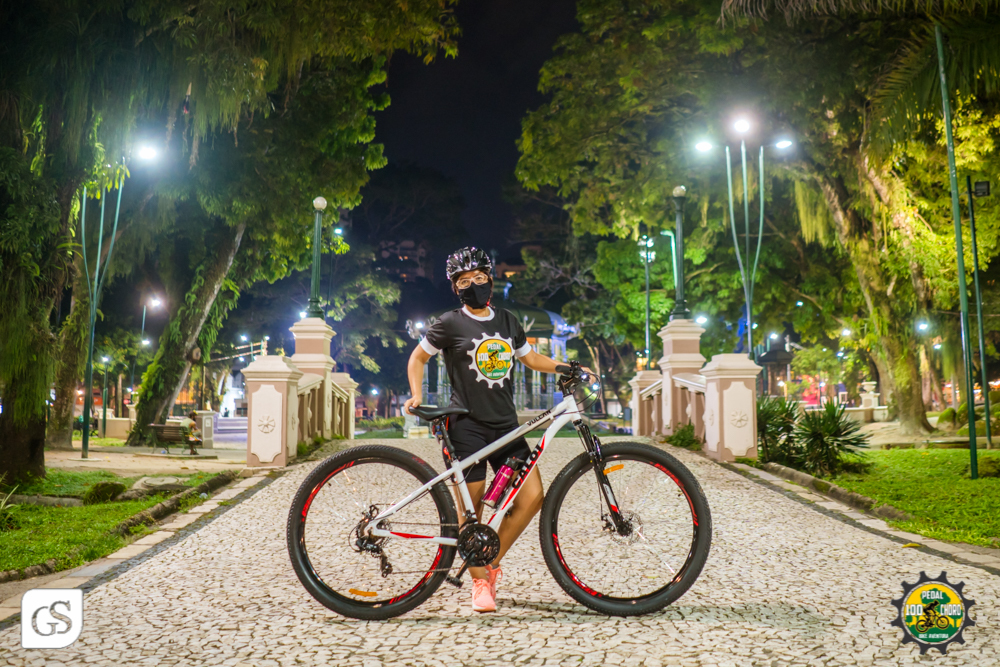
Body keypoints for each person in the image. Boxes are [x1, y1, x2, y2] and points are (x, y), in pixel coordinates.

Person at [403, 247, 585, 614]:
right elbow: (418, 356)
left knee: (532, 497)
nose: (473, 286)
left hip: (506, 426)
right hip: (466, 426)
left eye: (479, 278)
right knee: (471, 515)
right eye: (464, 281)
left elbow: (530, 358)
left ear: (490, 278)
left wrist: (563, 367)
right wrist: (416, 393)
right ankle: (480, 583)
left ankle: (488, 562)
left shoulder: (507, 320)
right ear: (456, 288)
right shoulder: (449, 322)